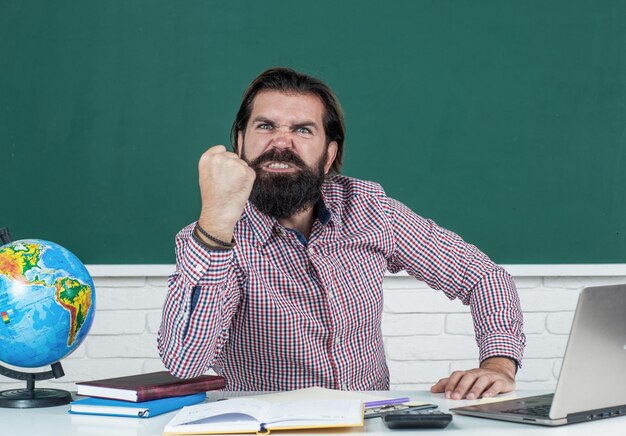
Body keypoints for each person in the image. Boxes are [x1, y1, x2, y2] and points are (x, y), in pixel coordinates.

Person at [158, 67, 525, 400]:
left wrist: (498, 365)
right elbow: (185, 363)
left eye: (303, 130)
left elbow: (483, 277)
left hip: (371, 422)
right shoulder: (210, 239)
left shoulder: (369, 209)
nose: (281, 143)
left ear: (329, 153)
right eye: (265, 126)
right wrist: (216, 224)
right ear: (240, 142)